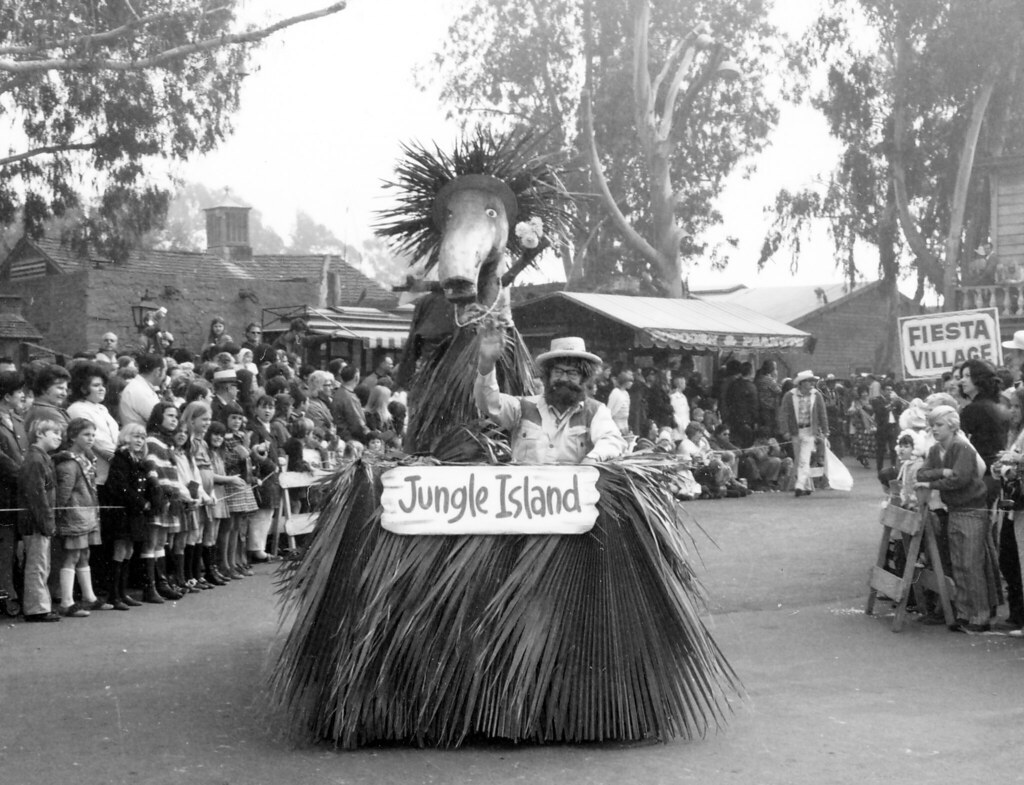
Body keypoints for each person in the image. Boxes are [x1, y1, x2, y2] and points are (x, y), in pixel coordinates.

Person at [474, 332, 626, 464]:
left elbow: (612, 440)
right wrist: (487, 364)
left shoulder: (595, 412)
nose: (564, 379)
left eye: (572, 373)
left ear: (583, 379)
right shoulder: (523, 407)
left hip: (573, 495)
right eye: (558, 372)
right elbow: (488, 402)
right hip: (526, 494)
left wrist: (592, 458)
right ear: (547, 375)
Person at [916, 405, 1002, 633]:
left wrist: (933, 481)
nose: (934, 429)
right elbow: (922, 473)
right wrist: (942, 473)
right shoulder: (936, 451)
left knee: (972, 564)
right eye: (932, 425)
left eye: (939, 425)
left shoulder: (963, 448)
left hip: (972, 510)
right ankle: (965, 613)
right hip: (954, 509)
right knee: (959, 564)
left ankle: (979, 615)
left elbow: (960, 479)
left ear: (952, 426)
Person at [54, 418, 109, 617]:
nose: (91, 439)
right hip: (74, 515)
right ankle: (66, 602)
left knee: (84, 554)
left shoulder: (86, 458)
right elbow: (63, 494)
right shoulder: (69, 462)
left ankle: (89, 597)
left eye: (93, 435)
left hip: (86, 514)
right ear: (72, 436)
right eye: (86, 435)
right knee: (72, 556)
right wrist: (59, 514)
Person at [103, 424, 153, 609]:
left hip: (133, 512)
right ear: (126, 438)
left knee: (129, 550)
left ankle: (122, 593)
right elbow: (121, 486)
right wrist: (141, 502)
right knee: (120, 549)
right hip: (123, 511)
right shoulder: (121, 458)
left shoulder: (137, 459)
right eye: (136, 436)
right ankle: (114, 595)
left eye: (142, 437)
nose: (140, 440)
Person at [18, 419, 62, 622]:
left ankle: (40, 605)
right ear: (40, 434)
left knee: (41, 563)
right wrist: (47, 522)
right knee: (37, 564)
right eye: (54, 432)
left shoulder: (41, 458)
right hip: (36, 521)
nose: (59, 437)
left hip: (39, 520)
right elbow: (37, 496)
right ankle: (36, 608)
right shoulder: (36, 460)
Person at [0, 371, 28, 613]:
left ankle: (12, 592)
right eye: (19, 392)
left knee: (13, 549)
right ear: (7, 395)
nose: (23, 396)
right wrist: (25, 475)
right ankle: (6, 595)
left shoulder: (17, 421)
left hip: (18, 495)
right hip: (4, 495)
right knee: (5, 548)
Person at [778, 369, 829, 497]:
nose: (811, 384)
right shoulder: (790, 396)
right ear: (801, 383)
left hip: (809, 431)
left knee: (804, 459)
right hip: (796, 431)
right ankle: (806, 486)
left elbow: (822, 414)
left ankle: (799, 485)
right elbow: (783, 414)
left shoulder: (816, 395)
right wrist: (785, 430)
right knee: (799, 458)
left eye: (812, 381)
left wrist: (825, 430)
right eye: (808, 381)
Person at [119, 354, 165, 428]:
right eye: (165, 371)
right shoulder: (139, 389)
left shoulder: (141, 386)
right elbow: (163, 421)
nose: (165, 376)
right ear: (158, 371)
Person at [847, 386, 876, 468]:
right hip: (860, 423)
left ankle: (864, 457)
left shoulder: (871, 401)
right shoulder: (856, 402)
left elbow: (874, 410)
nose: (864, 394)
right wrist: (856, 410)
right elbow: (851, 411)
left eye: (866, 392)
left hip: (870, 423)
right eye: (863, 392)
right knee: (861, 441)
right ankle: (864, 458)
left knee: (868, 440)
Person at [606, 368, 633, 436]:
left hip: (624, 425)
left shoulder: (626, 393)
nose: (631, 384)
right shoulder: (615, 392)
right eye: (630, 381)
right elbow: (609, 409)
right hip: (615, 424)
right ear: (624, 381)